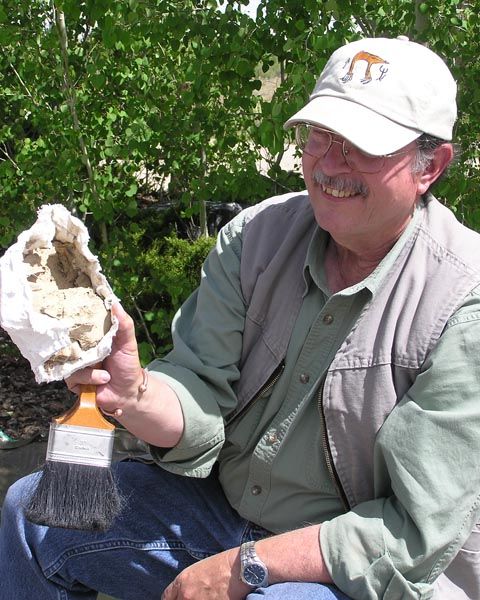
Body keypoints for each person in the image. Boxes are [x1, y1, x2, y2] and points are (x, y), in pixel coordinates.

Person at [1, 35, 480, 600]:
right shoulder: (255, 238)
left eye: (362, 145)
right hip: (223, 516)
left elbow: (413, 535)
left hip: (364, 570)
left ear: (432, 166)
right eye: (320, 136)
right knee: (31, 516)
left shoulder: (464, 301)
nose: (329, 164)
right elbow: (200, 397)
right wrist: (133, 393)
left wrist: (244, 567)